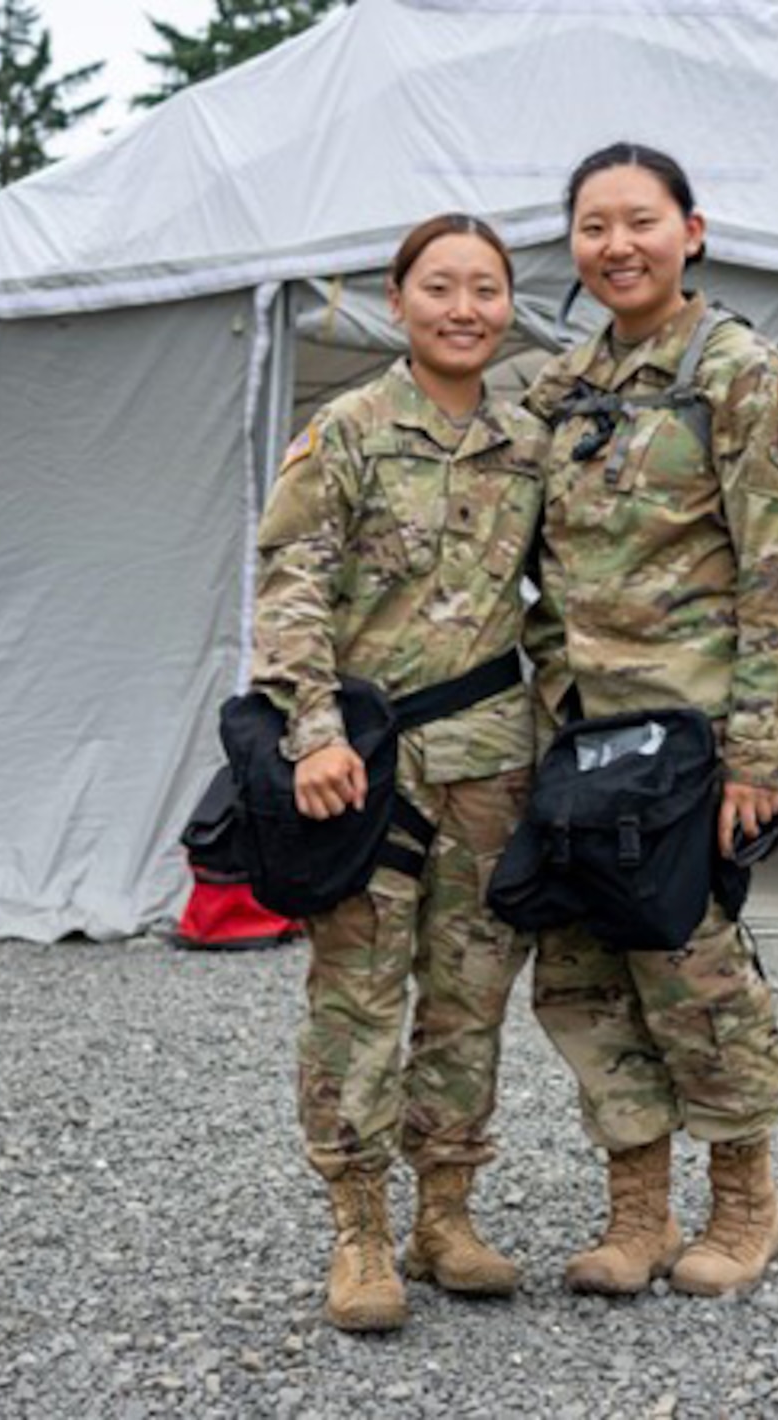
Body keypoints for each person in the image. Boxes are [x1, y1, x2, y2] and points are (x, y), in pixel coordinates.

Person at [522, 144, 778, 1299]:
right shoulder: (562, 391)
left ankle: (745, 1203)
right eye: (593, 226)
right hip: (576, 743)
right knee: (582, 973)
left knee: (693, 973)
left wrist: (761, 753)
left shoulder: (738, 374)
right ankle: (637, 1211)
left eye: (640, 221)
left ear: (690, 232)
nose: (617, 245)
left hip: (691, 743)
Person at [249, 213, 547, 1332]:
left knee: (469, 998)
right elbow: (290, 586)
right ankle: (359, 1227)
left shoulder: (529, 441)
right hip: (361, 769)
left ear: (507, 304)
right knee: (357, 998)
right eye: (439, 287)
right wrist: (312, 732)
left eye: (483, 288)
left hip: (488, 763)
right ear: (396, 297)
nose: (462, 308)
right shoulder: (349, 430)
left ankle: (446, 1212)